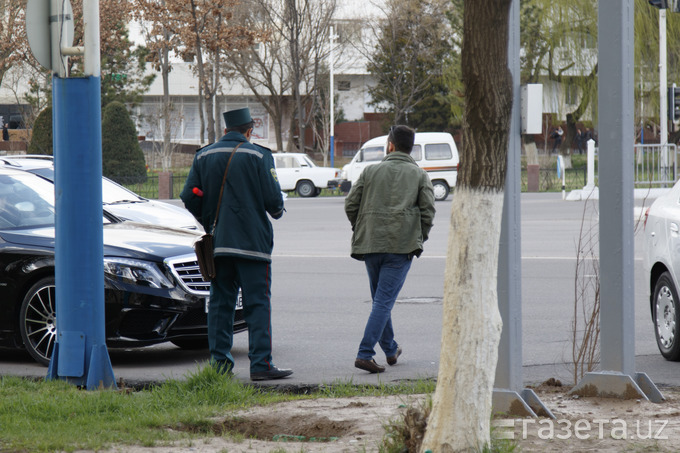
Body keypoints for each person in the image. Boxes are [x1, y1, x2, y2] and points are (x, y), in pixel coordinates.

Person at [180, 107, 292, 381]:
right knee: (257, 305)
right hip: (253, 245)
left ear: (225, 129)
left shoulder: (203, 155)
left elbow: (189, 197)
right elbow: (274, 203)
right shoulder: (259, 155)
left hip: (218, 245)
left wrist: (208, 220)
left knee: (220, 306)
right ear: (249, 130)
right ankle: (261, 365)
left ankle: (220, 366)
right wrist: (275, 209)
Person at [345, 125, 435, 373]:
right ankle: (365, 353)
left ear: (390, 145)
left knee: (380, 301)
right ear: (410, 148)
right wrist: (418, 238)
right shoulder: (419, 176)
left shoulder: (370, 171)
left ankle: (391, 349)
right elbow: (428, 212)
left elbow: (351, 205)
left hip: (371, 244)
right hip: (400, 247)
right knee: (383, 302)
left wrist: (363, 227)